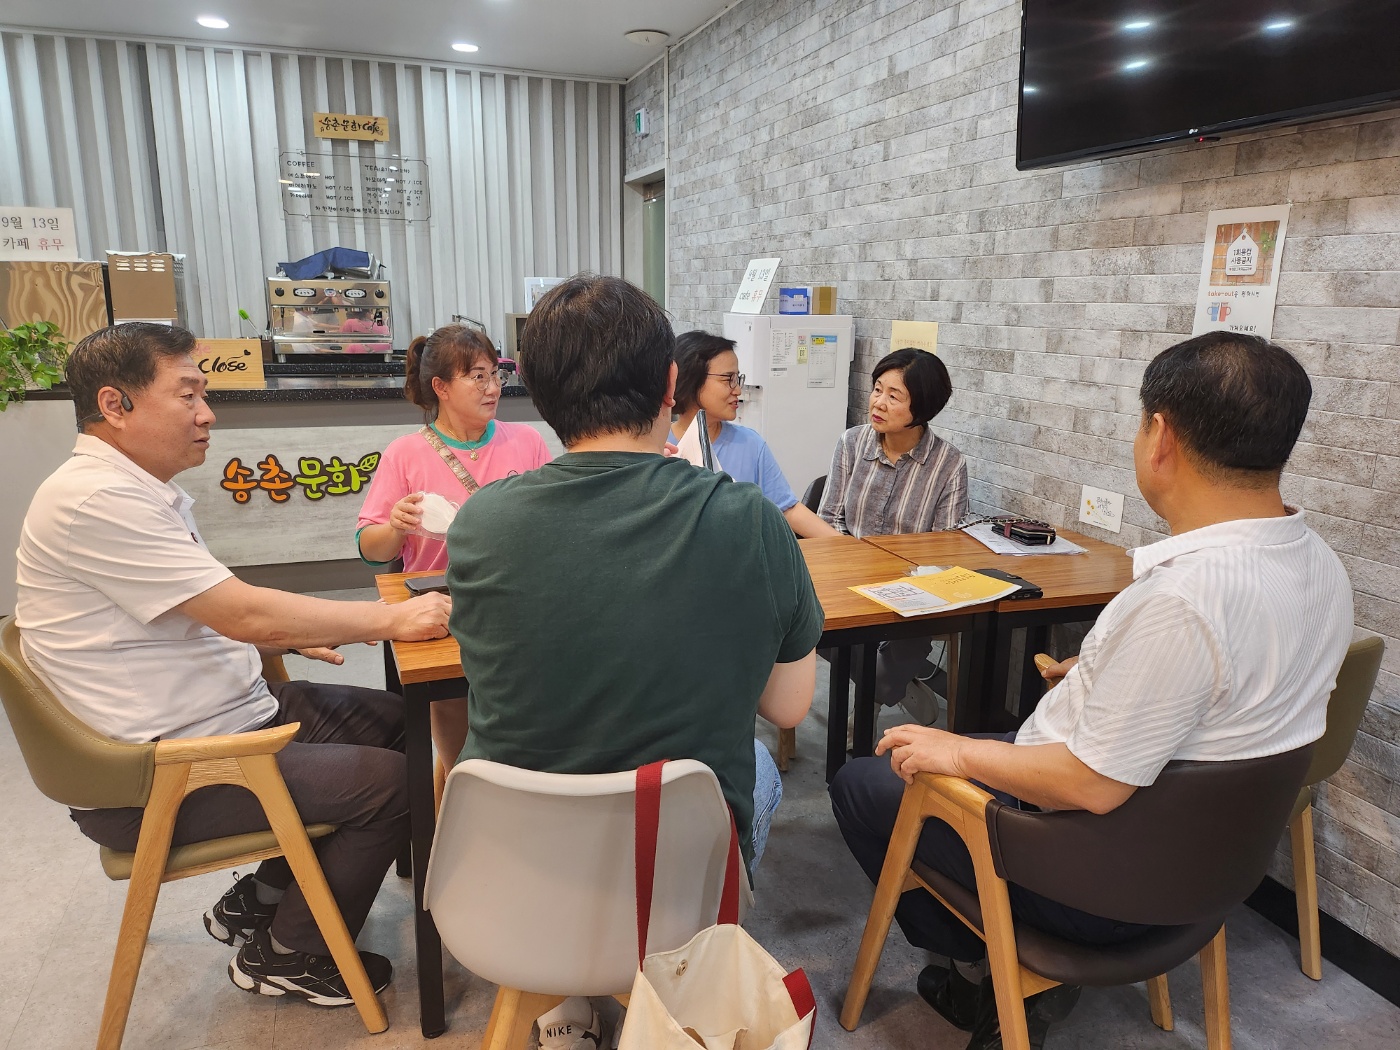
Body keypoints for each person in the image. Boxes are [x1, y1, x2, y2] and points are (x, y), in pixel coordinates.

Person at [829, 331, 1353, 1050]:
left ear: (1160, 437)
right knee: (956, 749)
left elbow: (1088, 784)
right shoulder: (1320, 566)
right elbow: (1237, 695)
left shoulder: (1181, 601)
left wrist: (953, 752)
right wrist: (1108, 669)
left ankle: (987, 975)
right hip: (1212, 871)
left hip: (1097, 876)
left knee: (864, 781)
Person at [14, 323, 453, 1009]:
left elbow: (201, 612)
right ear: (115, 404)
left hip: (219, 717)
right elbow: (242, 613)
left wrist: (277, 639)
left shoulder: (133, 488)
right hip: (158, 770)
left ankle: (265, 896)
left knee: (398, 722)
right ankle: (290, 952)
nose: (207, 413)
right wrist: (390, 620)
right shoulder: (98, 499)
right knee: (392, 786)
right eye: (187, 394)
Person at [445, 275, 823, 1045]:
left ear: (537, 392)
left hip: (514, 884)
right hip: (674, 893)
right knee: (761, 764)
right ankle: (659, 978)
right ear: (670, 385)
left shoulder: (482, 523)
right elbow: (788, 708)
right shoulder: (747, 519)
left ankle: (564, 999)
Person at [357, 323, 551, 787]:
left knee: (526, 745)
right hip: (442, 614)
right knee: (462, 761)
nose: (493, 388)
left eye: (496, 374)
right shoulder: (406, 453)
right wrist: (395, 526)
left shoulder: (527, 442)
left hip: (518, 607)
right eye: (478, 377)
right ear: (441, 388)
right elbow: (369, 548)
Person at [818, 347, 970, 719]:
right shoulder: (852, 443)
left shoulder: (949, 464)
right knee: (810, 628)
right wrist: (851, 565)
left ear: (923, 406)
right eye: (877, 389)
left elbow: (945, 545)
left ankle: (882, 689)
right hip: (849, 577)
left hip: (912, 588)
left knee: (894, 657)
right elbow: (830, 518)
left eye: (894, 396)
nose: (878, 403)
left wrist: (905, 581)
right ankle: (893, 684)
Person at [669, 330, 837, 538]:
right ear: (691, 379)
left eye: (737, 379)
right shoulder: (657, 445)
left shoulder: (749, 443)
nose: (738, 390)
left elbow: (787, 508)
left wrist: (845, 545)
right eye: (728, 379)